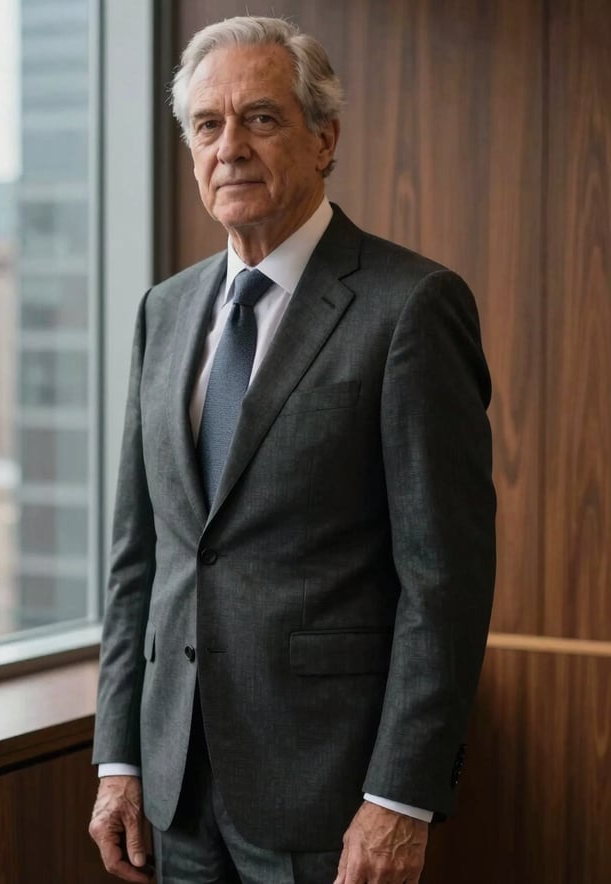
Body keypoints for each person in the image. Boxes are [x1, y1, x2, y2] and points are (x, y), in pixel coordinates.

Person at [88, 15, 496, 884]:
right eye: (207, 124)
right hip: (178, 792)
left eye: (261, 118)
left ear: (325, 138)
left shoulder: (410, 307)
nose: (229, 146)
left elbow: (444, 583)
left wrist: (400, 799)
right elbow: (141, 560)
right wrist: (119, 760)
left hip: (333, 797)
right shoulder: (163, 311)